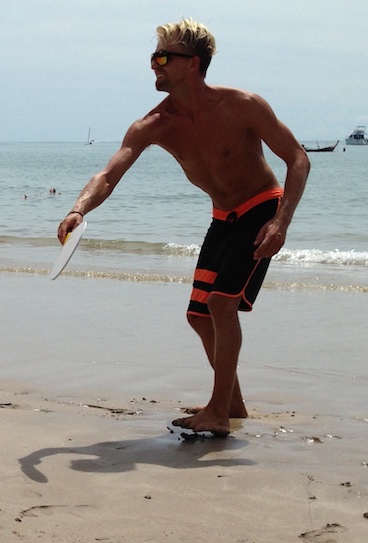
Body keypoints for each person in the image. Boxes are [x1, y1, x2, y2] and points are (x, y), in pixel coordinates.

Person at [57, 19, 309, 436]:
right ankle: (233, 402)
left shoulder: (243, 105)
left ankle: (218, 413)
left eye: (162, 57)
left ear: (192, 63)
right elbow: (107, 175)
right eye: (152, 57)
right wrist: (78, 210)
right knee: (198, 315)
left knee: (221, 305)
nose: (153, 65)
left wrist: (281, 222)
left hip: (261, 208)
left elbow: (297, 158)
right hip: (222, 218)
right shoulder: (154, 124)